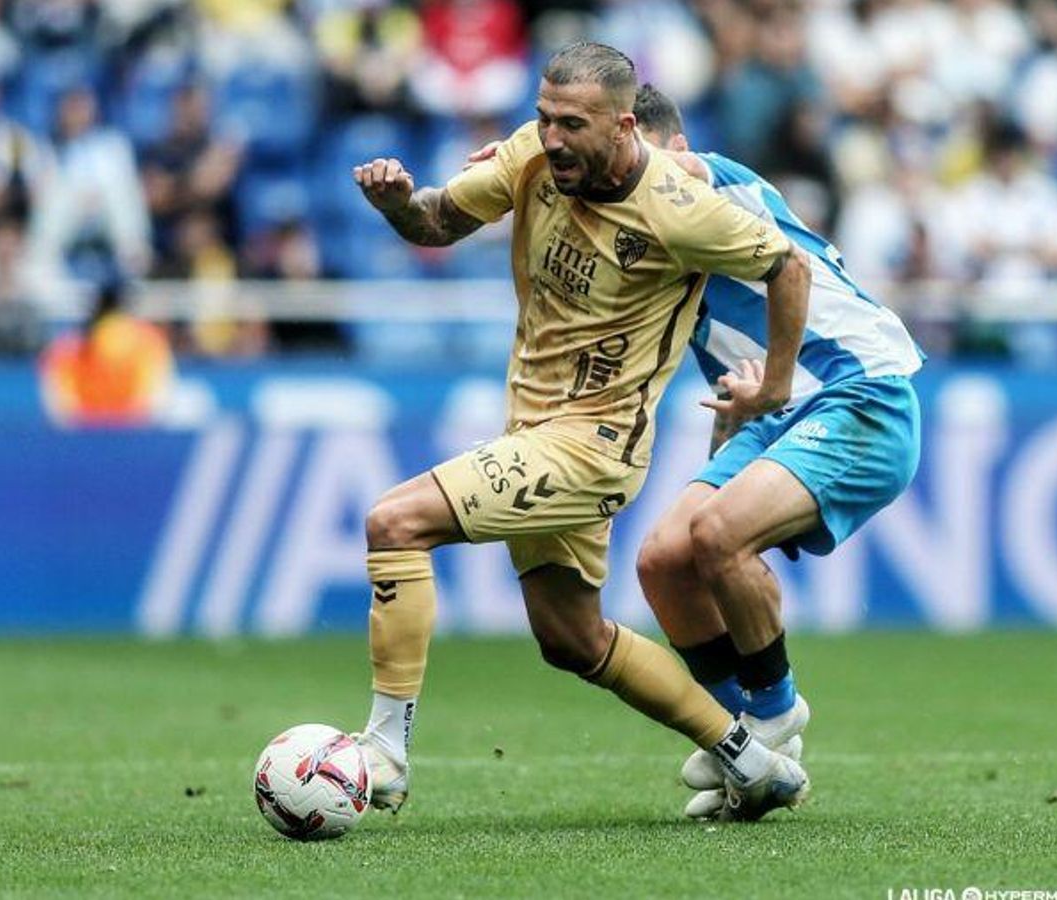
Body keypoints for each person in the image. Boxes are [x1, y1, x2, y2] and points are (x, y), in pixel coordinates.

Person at [350, 42, 814, 822]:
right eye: (544, 117)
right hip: (533, 426)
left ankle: (384, 754)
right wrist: (397, 202)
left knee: (394, 523)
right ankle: (754, 761)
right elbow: (435, 223)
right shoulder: (531, 157)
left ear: (623, 125)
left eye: (572, 124)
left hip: (592, 448)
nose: (553, 137)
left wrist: (774, 384)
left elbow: (787, 266)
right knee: (571, 638)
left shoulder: (676, 206)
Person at [626, 84, 924, 819]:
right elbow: (737, 393)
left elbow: (665, 175)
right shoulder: (675, 272)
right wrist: (722, 449)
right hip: (777, 413)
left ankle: (774, 713)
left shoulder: (709, 180)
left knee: (719, 536)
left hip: (860, 389)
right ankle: (750, 752)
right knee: (663, 559)